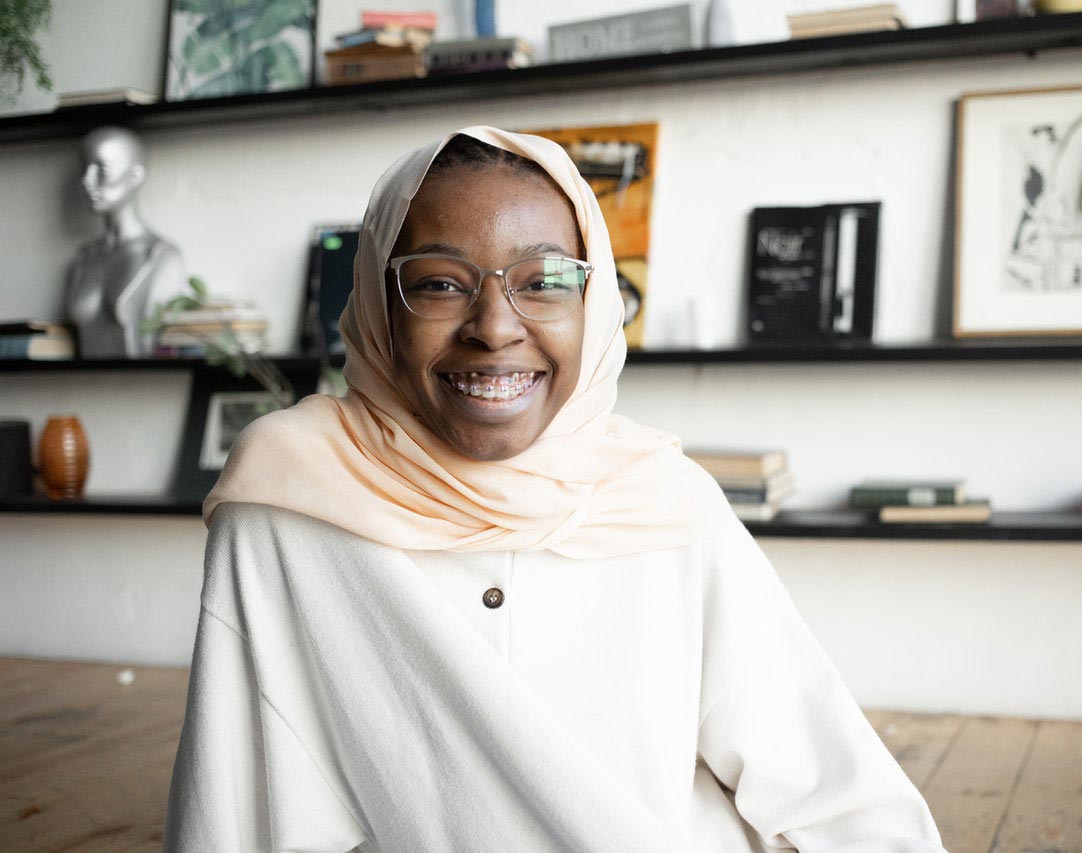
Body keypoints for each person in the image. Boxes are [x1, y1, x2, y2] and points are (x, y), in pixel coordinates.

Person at [162, 126, 946, 851]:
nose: (495, 326)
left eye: (545, 281)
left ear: (594, 301)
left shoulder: (662, 500)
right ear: (375, 303)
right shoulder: (290, 499)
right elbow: (236, 811)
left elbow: (839, 798)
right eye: (439, 284)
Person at [65, 126, 185, 358]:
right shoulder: (83, 259)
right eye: (85, 168)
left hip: (144, 389)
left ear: (135, 176)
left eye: (102, 168)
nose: (87, 180)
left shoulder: (162, 256)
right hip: (79, 388)